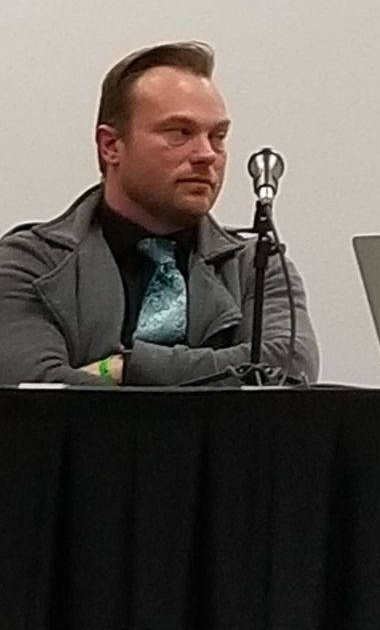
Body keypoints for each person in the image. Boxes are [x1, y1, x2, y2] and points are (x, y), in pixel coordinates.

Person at [0, 42, 320, 385]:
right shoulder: (30, 263)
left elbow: (289, 364)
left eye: (218, 136)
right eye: (180, 133)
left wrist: (126, 368)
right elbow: (36, 391)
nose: (207, 154)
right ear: (111, 146)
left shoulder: (255, 264)